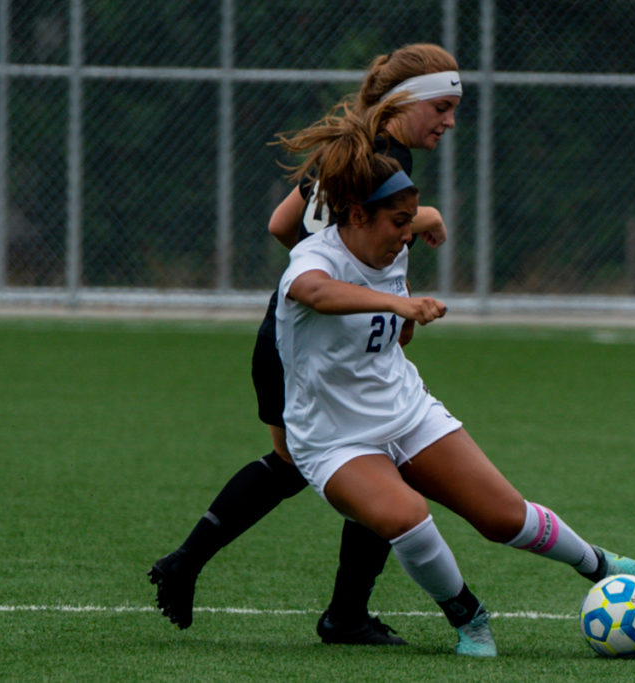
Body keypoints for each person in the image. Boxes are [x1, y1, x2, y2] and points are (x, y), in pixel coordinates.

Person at [272, 97, 635, 657]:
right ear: (356, 216)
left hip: (405, 411)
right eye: (398, 223)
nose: (406, 235)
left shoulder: (394, 244)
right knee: (407, 516)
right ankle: (469, 616)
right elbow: (313, 293)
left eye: (411, 222)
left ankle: (601, 563)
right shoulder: (315, 260)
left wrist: (402, 312)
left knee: (503, 517)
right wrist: (402, 311)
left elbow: (389, 316)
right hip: (333, 437)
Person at [150, 44, 461, 645]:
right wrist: (423, 218)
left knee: (302, 463)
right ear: (409, 103)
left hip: (289, 334)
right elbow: (354, 235)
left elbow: (280, 226)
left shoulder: (352, 146)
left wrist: (337, 259)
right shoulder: (380, 162)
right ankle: (342, 614)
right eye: (443, 107)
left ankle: (189, 562)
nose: (449, 121)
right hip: (313, 347)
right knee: (376, 456)